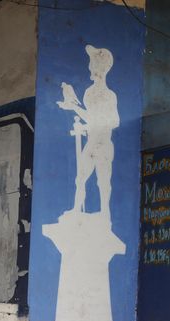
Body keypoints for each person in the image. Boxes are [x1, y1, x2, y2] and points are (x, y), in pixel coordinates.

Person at [57, 45, 118, 221]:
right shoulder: (88, 93)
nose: (90, 67)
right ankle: (76, 210)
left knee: (103, 183)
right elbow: (91, 118)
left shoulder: (110, 96)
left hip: (104, 145)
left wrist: (92, 121)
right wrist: (76, 110)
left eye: (93, 63)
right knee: (80, 178)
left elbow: (115, 121)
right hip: (91, 143)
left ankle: (105, 214)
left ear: (100, 67)